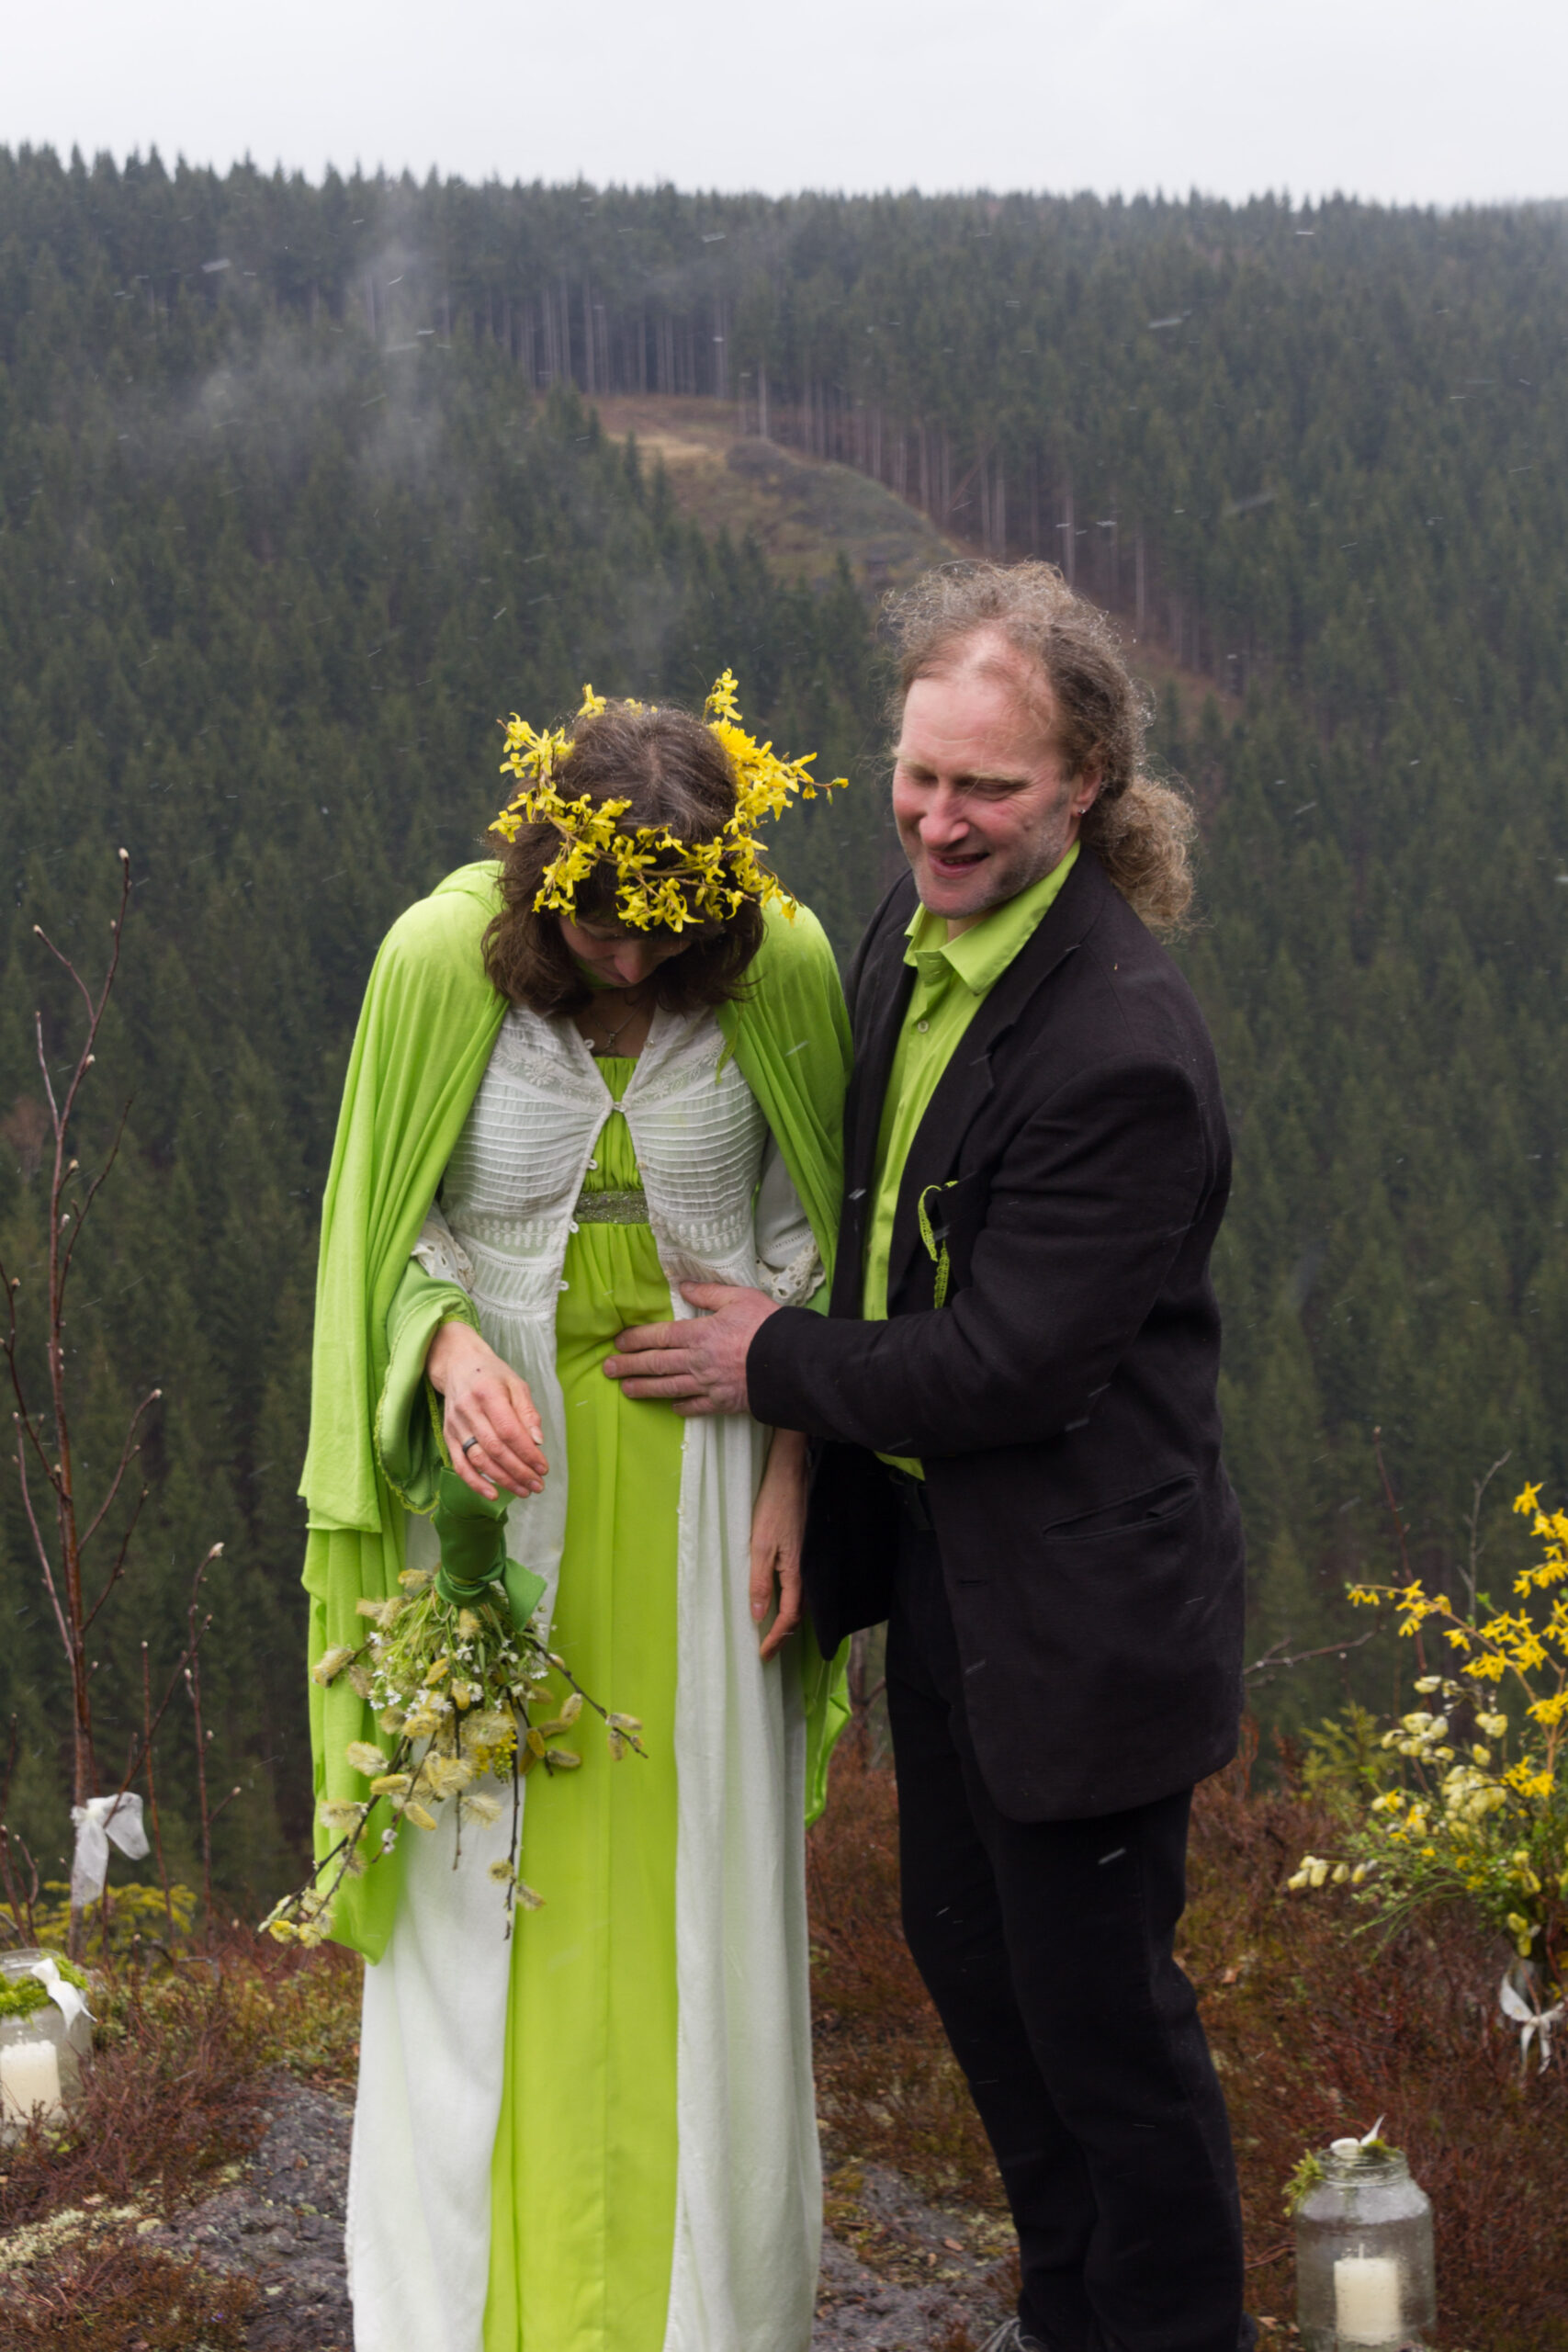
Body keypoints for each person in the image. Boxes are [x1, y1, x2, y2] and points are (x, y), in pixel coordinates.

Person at [604, 564, 1256, 2352]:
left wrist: (767, 1361)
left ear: (1086, 787)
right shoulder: (916, 928)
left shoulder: (1119, 1046)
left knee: (1106, 2038)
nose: (938, 817)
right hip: (960, 1587)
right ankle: (1069, 2318)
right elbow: (873, 1219)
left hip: (1083, 1620)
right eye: (918, 773)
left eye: (987, 787)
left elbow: (1013, 1362)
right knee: (982, 1978)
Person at [299, 682, 852, 2352]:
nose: (631, 959)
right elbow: (380, 1225)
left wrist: (794, 1467)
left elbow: (823, 1230)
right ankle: (468, 2314)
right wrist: (445, 1344)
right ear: (547, 878)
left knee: (707, 1876)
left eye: (667, 932)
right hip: (490, 1495)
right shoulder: (438, 961)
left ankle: (708, 2313)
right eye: (603, 927)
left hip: (714, 1484)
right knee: (479, 1874)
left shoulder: (783, 965)